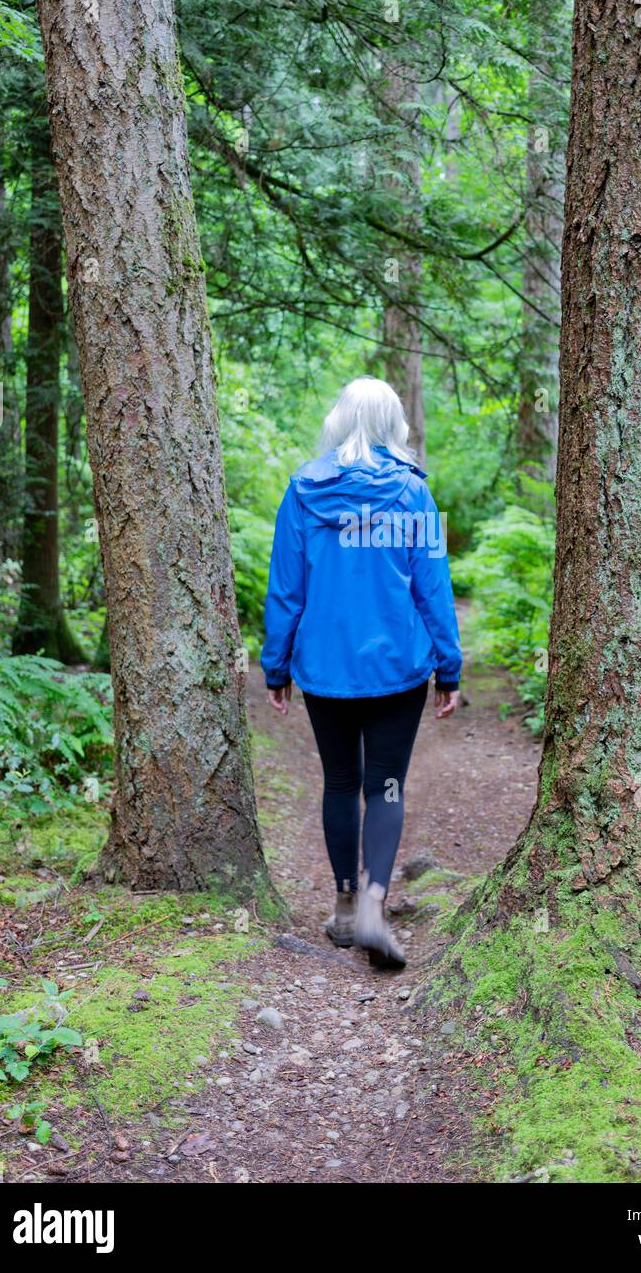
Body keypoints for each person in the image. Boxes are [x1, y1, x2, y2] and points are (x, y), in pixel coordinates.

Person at [261, 376, 461, 969]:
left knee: (342, 783)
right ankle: (375, 903)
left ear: (340, 421)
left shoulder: (302, 493)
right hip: (398, 669)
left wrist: (276, 666)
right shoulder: (412, 492)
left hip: (324, 669)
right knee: (387, 786)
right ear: (392, 423)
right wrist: (448, 666)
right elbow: (433, 586)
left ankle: (346, 906)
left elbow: (286, 591)